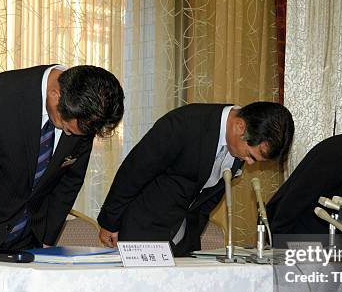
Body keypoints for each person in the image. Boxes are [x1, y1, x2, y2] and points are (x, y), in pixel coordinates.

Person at [0, 64, 125, 260]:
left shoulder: (85, 112)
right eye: (68, 128)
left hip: (27, 241)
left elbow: (69, 183)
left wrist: (47, 240)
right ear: (55, 96)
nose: (72, 134)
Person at [97, 102, 294, 256]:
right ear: (239, 127)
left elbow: (209, 195)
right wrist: (110, 222)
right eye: (251, 155)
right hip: (143, 229)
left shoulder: (241, 145)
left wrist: (193, 233)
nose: (249, 163)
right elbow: (134, 171)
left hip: (185, 238)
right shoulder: (185, 124)